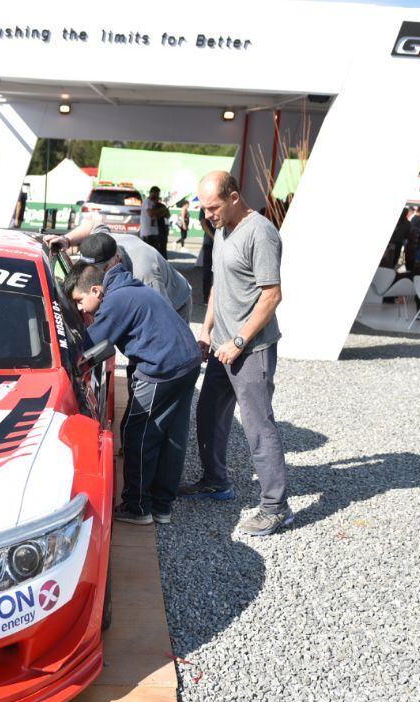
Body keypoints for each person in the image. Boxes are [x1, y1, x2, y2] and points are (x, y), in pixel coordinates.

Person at [182, 171, 293, 537]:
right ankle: (216, 481)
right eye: (203, 207)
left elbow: (272, 295)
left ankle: (276, 507)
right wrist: (207, 329)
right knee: (209, 413)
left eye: (213, 207)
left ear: (234, 197)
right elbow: (219, 283)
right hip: (222, 346)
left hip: (249, 349)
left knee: (259, 427)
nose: (207, 214)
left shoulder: (260, 232)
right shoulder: (222, 229)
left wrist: (240, 341)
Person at [64, 243, 201, 526]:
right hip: (187, 360)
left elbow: (85, 352)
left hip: (163, 368)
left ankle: (137, 507)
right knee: (171, 434)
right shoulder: (126, 285)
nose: (79, 309)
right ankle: (163, 505)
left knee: (137, 434)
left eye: (79, 301)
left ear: (96, 291)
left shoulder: (114, 302)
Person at [45, 214, 192, 320]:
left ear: (116, 260)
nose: (94, 274)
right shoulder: (102, 243)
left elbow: (160, 317)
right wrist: (66, 240)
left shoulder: (143, 273)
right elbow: (93, 223)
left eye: (101, 269)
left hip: (176, 303)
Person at [139, 186, 169, 257]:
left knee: (154, 254)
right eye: (157, 194)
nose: (158, 196)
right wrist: (162, 210)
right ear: (152, 193)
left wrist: (162, 211)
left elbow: (159, 216)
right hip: (148, 233)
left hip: (154, 232)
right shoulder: (147, 202)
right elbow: (151, 214)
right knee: (148, 254)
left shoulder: (154, 204)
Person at [199, 205, 215, 303]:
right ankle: (206, 297)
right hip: (210, 243)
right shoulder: (204, 207)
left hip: (214, 241)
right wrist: (213, 237)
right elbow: (203, 223)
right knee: (207, 271)